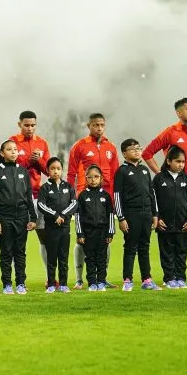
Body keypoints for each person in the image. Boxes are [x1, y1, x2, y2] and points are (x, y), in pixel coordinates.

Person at [143, 97, 187, 284]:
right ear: (179, 112)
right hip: (175, 193)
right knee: (172, 234)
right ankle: (171, 276)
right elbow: (147, 153)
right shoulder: (170, 132)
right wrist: (162, 174)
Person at [66, 113, 119, 289]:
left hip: (105, 198)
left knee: (105, 240)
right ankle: (80, 279)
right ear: (89, 126)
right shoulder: (80, 146)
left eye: (102, 125)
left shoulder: (110, 147)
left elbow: (115, 173)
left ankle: (102, 278)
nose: (99, 128)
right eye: (96, 125)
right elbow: (71, 173)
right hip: (84, 196)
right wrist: (70, 196)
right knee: (81, 241)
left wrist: (114, 196)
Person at [0, 140, 36, 295]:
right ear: (2, 153)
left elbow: (28, 196)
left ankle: (21, 283)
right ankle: (7, 284)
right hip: (4, 218)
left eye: (15, 149)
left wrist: (32, 218)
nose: (13, 152)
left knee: (20, 252)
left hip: (21, 217)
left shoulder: (23, 171)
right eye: (9, 149)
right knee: (6, 252)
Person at [113, 139, 161, 292]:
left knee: (144, 247)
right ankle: (127, 279)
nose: (136, 151)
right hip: (131, 214)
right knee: (130, 247)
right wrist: (121, 218)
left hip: (146, 213)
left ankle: (147, 279)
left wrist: (155, 214)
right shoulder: (122, 171)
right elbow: (117, 196)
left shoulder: (145, 170)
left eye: (138, 148)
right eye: (132, 149)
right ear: (124, 153)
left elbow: (151, 193)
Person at [8, 112, 50, 273]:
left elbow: (49, 170)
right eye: (26, 125)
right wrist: (28, 161)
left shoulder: (42, 143)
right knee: (16, 241)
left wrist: (38, 160)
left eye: (33, 125)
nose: (30, 128)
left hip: (37, 196)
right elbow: (9, 169)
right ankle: (14, 279)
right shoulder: (12, 142)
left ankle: (50, 276)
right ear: (19, 124)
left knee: (44, 238)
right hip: (17, 197)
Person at [152, 147, 187, 289]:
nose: (181, 165)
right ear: (169, 161)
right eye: (178, 161)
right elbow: (153, 200)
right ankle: (169, 278)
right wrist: (157, 218)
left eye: (183, 162)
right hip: (164, 224)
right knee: (167, 252)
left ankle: (181, 278)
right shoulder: (159, 178)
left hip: (183, 224)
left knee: (181, 252)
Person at [36, 157, 76, 293]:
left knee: (63, 257)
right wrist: (55, 216)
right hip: (51, 228)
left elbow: (74, 204)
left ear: (62, 170)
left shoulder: (68, 187)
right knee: (52, 257)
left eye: (58, 168)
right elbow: (41, 205)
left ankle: (64, 284)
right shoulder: (45, 188)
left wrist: (63, 216)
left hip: (65, 228)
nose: (55, 171)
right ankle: (52, 284)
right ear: (47, 170)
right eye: (52, 169)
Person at [74, 165, 114, 292]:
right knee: (90, 258)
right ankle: (92, 283)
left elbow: (110, 215)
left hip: (102, 232)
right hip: (87, 232)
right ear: (86, 179)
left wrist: (110, 232)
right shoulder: (82, 196)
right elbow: (78, 215)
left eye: (96, 177)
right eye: (89, 177)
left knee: (101, 258)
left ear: (101, 178)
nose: (93, 180)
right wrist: (80, 233)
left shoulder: (106, 196)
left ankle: (101, 282)